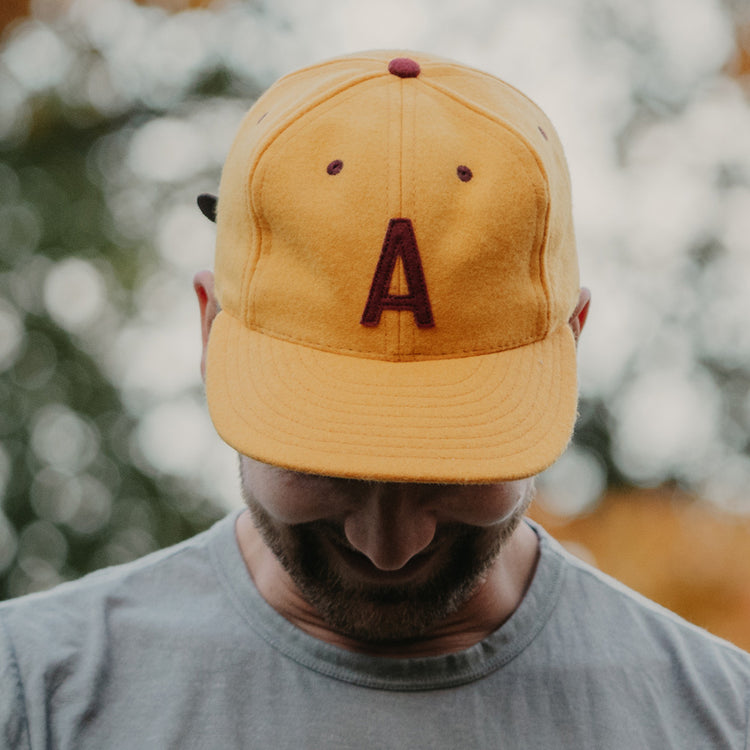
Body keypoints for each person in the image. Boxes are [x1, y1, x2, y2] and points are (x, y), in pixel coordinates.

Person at [1, 50, 748, 749]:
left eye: (450, 462)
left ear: (572, 346)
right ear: (209, 329)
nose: (388, 545)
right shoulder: (30, 694)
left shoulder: (721, 718)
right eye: (329, 461)